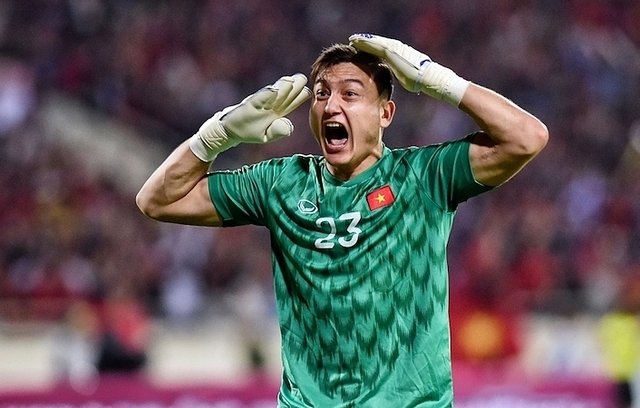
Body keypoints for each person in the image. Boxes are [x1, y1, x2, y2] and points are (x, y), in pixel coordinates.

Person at [136, 34, 548, 407]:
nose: (331, 105)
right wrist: (217, 135)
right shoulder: (282, 183)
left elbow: (527, 137)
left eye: (350, 94)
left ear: (385, 113)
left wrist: (437, 80)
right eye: (321, 94)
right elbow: (156, 200)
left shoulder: (423, 177)